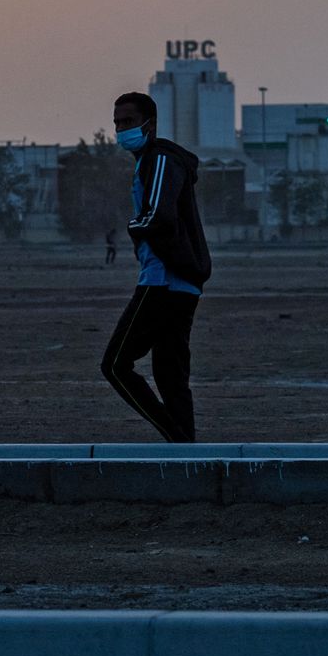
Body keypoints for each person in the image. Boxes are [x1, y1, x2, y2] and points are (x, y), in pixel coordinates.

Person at [100, 92, 211, 442]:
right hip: (179, 284)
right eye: (117, 123)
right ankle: (186, 452)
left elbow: (159, 216)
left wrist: (134, 227)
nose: (122, 130)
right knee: (170, 376)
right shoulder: (150, 161)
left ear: (150, 124)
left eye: (128, 122)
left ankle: (175, 436)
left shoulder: (160, 159)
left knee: (115, 365)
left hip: (163, 282)